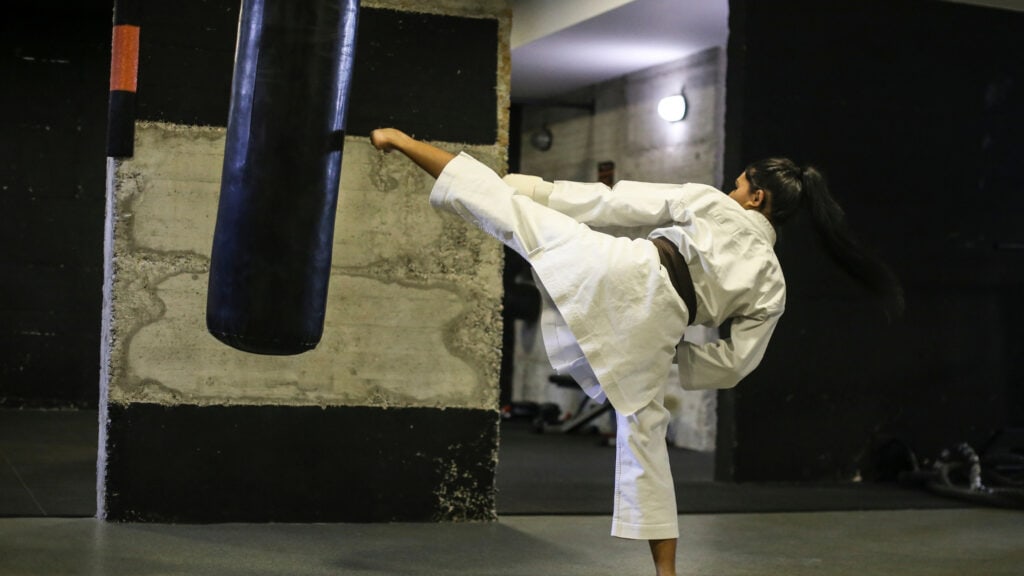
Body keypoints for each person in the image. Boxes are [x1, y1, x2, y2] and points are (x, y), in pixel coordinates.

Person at [369, 127, 903, 576]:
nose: (732, 187)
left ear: (756, 196)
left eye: (739, 183)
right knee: (645, 436)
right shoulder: (773, 282)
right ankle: (665, 574)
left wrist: (533, 192)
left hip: (628, 269)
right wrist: (675, 359)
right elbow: (740, 362)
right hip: (664, 324)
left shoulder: (712, 203)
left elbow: (613, 201)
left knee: (505, 210)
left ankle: (401, 140)